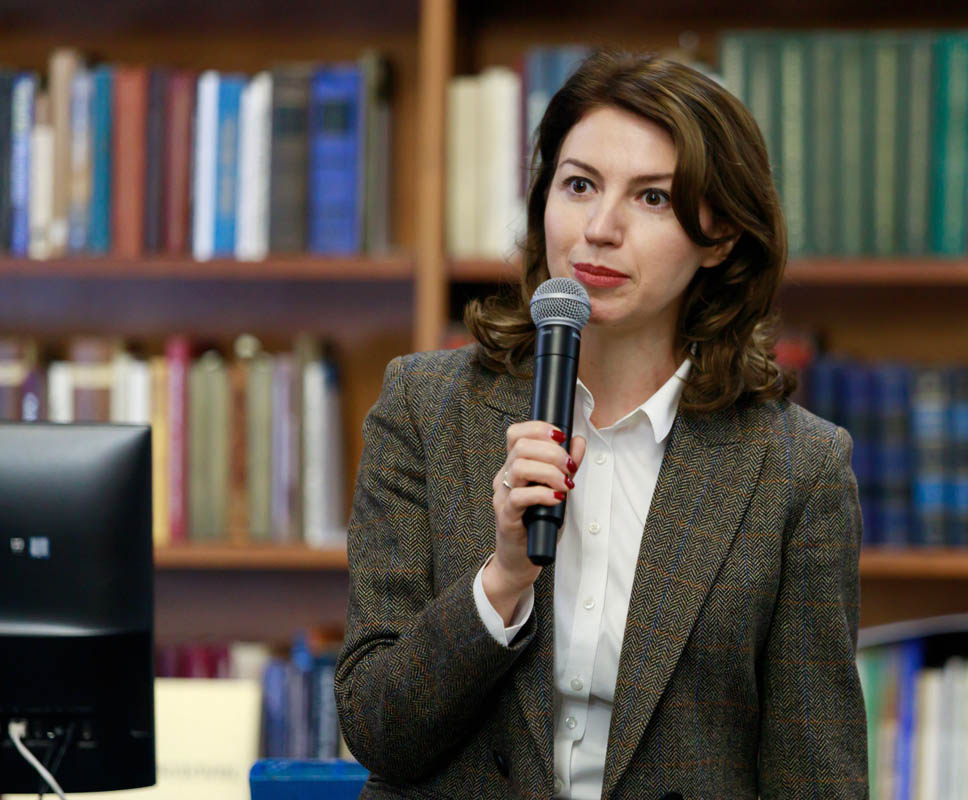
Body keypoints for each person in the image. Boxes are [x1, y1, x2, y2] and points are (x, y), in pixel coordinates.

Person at [335, 49, 867, 800]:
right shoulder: (425, 407)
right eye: (579, 185)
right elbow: (376, 726)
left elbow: (815, 776)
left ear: (719, 238)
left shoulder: (798, 468)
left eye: (652, 198)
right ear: (542, 201)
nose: (600, 228)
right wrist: (503, 579)